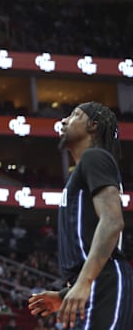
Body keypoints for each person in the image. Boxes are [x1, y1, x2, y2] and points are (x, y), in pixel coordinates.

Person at [28, 102, 133, 329]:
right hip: (93, 281)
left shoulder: (94, 157)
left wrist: (85, 282)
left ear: (93, 126)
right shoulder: (86, 168)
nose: (64, 121)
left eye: (75, 115)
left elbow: (113, 222)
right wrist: (67, 292)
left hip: (102, 281)